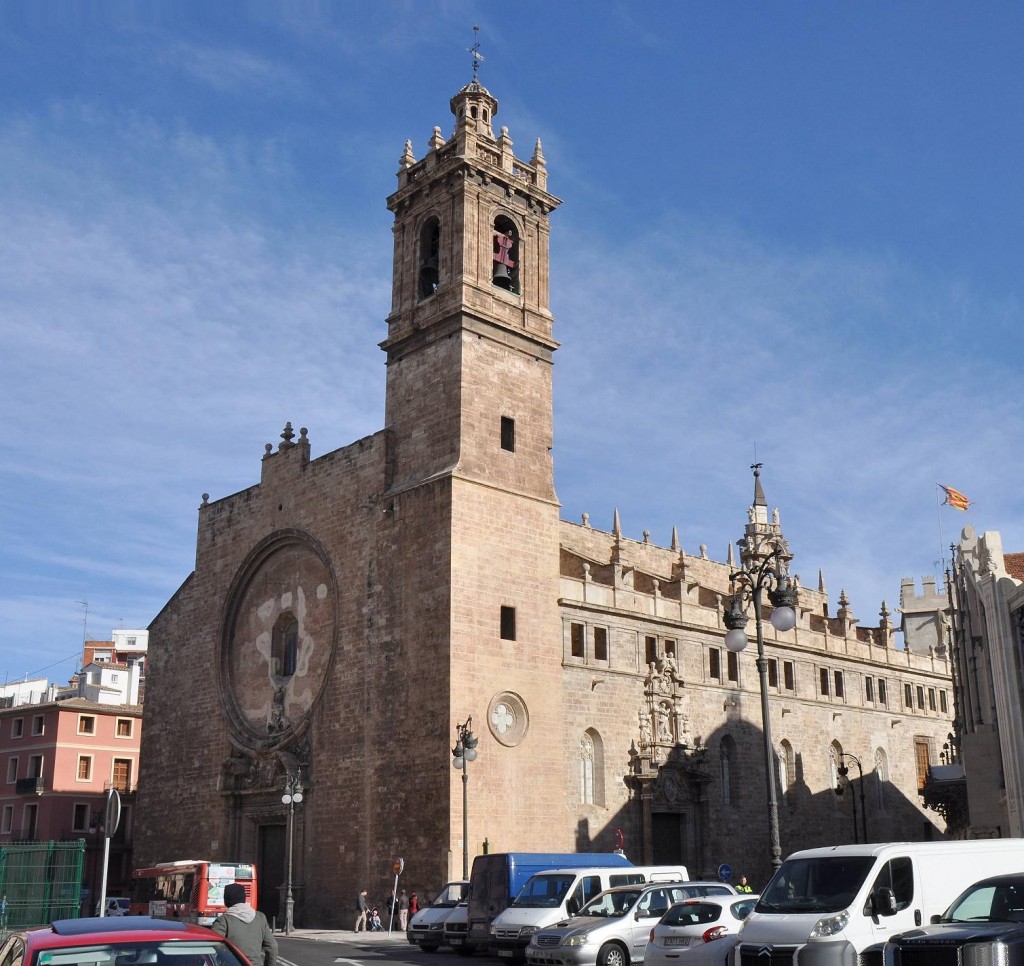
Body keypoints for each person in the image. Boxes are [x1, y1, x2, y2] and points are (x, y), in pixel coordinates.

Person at [211, 883, 277, 966]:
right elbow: (272, 947)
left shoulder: (223, 920)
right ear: (244, 898)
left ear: (226, 900)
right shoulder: (260, 918)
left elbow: (214, 946)